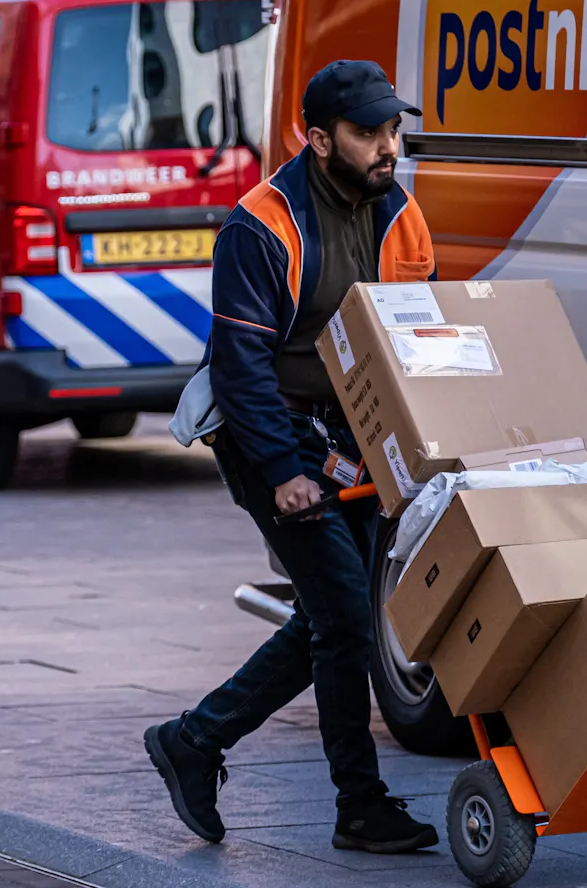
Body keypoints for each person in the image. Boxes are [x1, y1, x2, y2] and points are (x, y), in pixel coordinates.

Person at [145, 61, 439, 853]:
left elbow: (414, 339)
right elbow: (241, 371)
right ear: (317, 139)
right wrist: (284, 474)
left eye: (392, 130)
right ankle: (359, 804)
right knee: (345, 617)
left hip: (354, 438)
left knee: (328, 617)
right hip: (267, 433)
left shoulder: (401, 214)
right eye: (368, 133)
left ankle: (195, 740)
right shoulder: (260, 226)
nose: (388, 147)